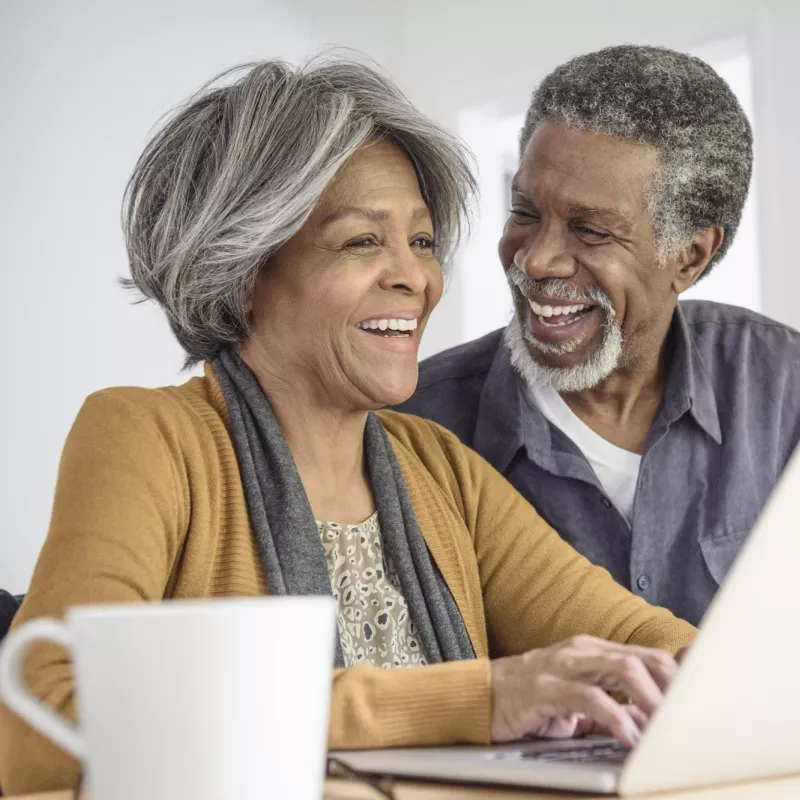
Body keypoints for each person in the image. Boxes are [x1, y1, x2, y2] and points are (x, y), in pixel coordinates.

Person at [0, 55, 694, 796]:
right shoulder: (145, 438)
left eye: (422, 242)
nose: (414, 278)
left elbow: (649, 646)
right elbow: (39, 725)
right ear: (243, 267)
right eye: (364, 241)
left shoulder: (440, 469)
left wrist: (697, 680)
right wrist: (479, 698)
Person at [398, 44, 800, 627]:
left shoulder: (784, 388)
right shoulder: (415, 426)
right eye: (525, 214)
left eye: (589, 230)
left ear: (689, 257)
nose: (535, 260)